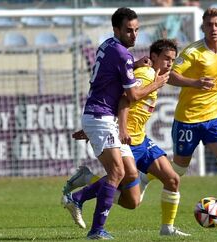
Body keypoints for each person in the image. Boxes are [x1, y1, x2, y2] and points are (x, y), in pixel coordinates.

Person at [62, 39, 192, 237]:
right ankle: (86, 196)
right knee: (119, 176)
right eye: (165, 58)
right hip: (127, 139)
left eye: (172, 60)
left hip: (141, 139)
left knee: (168, 182)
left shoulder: (154, 75)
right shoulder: (147, 74)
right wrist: (121, 129)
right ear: (153, 57)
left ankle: (167, 229)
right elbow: (125, 98)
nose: (169, 63)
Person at [141, 7, 217, 226]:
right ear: (202, 27)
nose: (213, 28)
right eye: (209, 24)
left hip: (214, 117)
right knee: (178, 170)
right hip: (188, 119)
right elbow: (169, 75)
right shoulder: (193, 52)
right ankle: (147, 176)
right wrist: (195, 83)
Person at [67, 7, 169, 240]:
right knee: (117, 172)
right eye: (129, 31)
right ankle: (96, 230)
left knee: (129, 180)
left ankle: (80, 197)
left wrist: (134, 66)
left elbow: (110, 75)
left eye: (136, 30)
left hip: (101, 117)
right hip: (101, 116)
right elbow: (132, 96)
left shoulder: (108, 46)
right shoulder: (122, 55)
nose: (134, 35)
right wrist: (157, 83)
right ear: (116, 29)